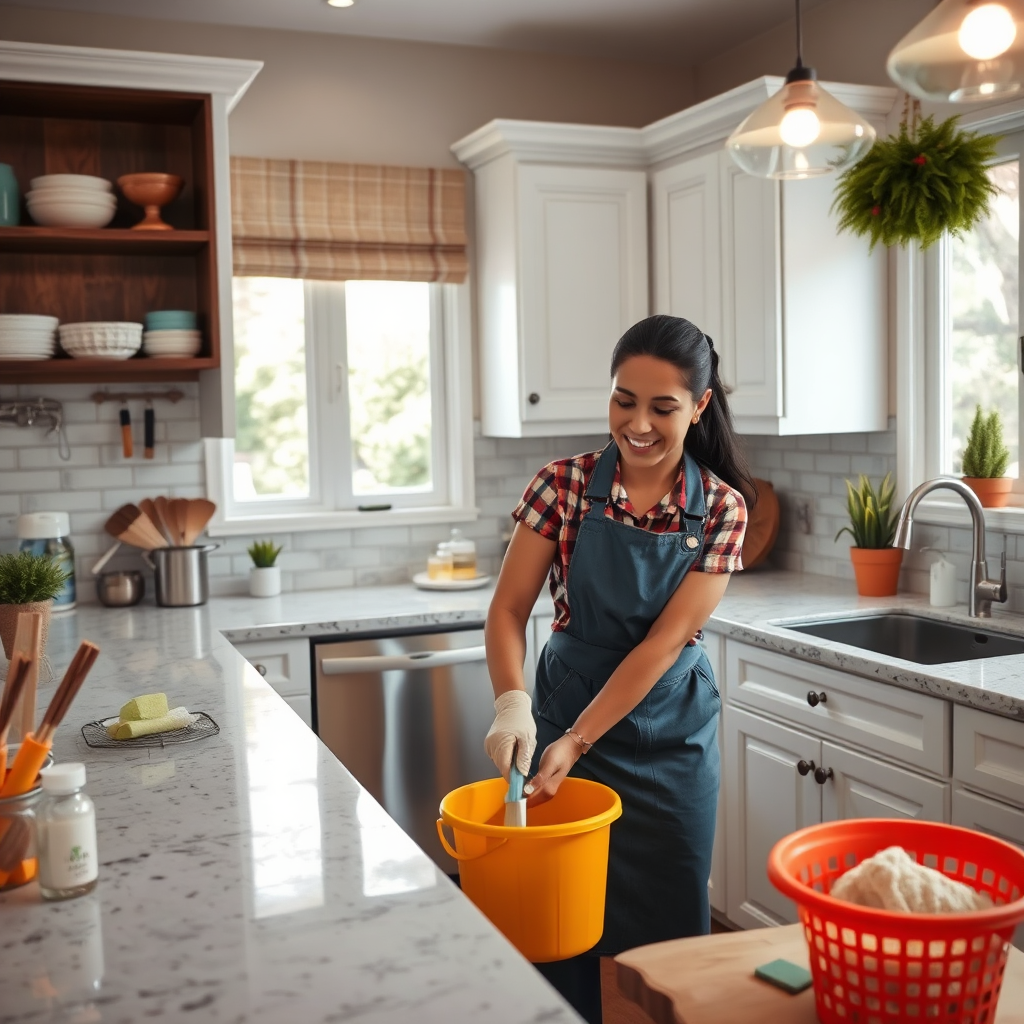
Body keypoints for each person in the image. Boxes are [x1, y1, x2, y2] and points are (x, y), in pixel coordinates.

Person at [483, 314, 755, 1024]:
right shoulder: (561, 485)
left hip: (669, 731)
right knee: (558, 919)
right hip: (564, 708)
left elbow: (664, 643)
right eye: (622, 400)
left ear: (698, 407)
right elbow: (508, 611)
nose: (637, 423)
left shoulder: (722, 509)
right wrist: (513, 702)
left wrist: (579, 738)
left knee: (671, 925)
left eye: (662, 407)